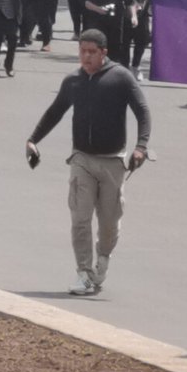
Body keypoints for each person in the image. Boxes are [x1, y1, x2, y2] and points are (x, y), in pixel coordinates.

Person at [25, 30, 152, 296]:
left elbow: (142, 110)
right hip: (81, 158)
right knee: (80, 218)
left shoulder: (121, 78)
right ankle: (83, 272)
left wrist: (141, 146)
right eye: (82, 51)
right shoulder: (73, 81)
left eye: (92, 52)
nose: (86, 56)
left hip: (113, 162)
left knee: (108, 223)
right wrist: (33, 139)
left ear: (104, 52)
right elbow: (55, 111)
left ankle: (103, 258)